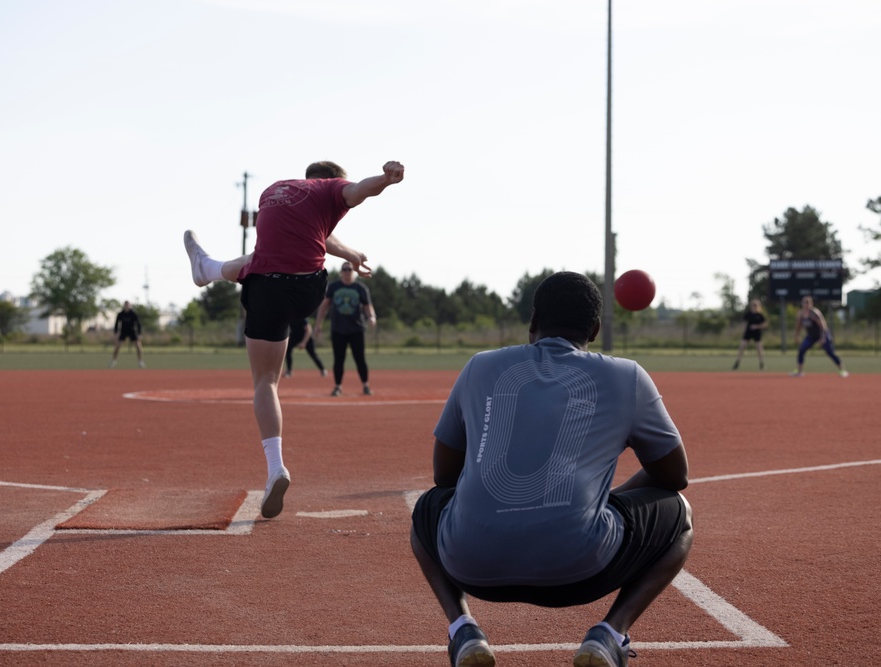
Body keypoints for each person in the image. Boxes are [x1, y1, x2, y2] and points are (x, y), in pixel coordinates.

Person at [410, 271, 693, 667]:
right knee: (680, 516)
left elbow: (444, 477)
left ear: (532, 322)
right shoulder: (628, 375)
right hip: (580, 571)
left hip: (471, 566)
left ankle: (464, 631)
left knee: (427, 506)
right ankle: (611, 634)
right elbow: (674, 477)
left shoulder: (478, 366)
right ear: (594, 329)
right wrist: (601, 502)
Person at [183, 160, 404, 518]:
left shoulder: (276, 191)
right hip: (305, 290)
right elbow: (360, 190)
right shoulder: (333, 189)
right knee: (272, 263)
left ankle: (276, 468)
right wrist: (387, 179)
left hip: (266, 288)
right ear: (333, 179)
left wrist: (349, 253)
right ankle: (206, 269)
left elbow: (313, 231)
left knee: (265, 381)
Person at [314, 261, 377, 396]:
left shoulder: (360, 288)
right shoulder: (333, 287)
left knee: (360, 358)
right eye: (344, 269)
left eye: (349, 269)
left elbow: (367, 305)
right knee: (338, 359)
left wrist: (372, 317)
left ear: (353, 271)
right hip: (338, 329)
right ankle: (338, 386)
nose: (347, 272)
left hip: (357, 329)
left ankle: (366, 385)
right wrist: (318, 324)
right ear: (341, 272)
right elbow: (324, 306)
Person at [791, 295, 848, 377]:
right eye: (804, 302)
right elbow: (798, 326)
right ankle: (799, 372)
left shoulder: (814, 313)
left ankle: (842, 370)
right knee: (802, 350)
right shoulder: (801, 313)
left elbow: (823, 327)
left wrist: (823, 338)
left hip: (822, 334)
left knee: (830, 352)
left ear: (811, 303)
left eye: (808, 302)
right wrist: (797, 336)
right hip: (811, 336)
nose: (806, 304)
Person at [732, 298, 767, 370]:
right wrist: (741, 329)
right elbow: (743, 322)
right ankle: (737, 362)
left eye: (756, 305)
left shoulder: (760, 315)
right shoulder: (748, 314)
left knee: (759, 348)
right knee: (742, 347)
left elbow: (764, 325)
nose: (755, 306)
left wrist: (756, 326)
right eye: (753, 305)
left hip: (757, 333)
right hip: (748, 332)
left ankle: (761, 363)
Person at [109, 301, 145, 368]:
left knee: (138, 346)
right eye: (125, 305)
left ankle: (140, 361)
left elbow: (138, 324)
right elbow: (117, 324)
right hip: (123, 331)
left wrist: (139, 333)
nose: (126, 307)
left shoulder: (133, 314)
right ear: (124, 306)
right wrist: (115, 332)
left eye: (128, 305)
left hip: (132, 331)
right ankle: (113, 361)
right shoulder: (120, 314)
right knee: (117, 346)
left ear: (130, 306)